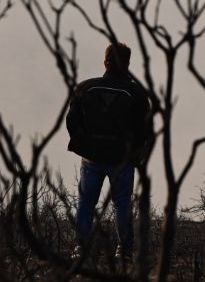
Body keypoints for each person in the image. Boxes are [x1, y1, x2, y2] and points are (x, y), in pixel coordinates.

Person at [66, 42, 153, 263]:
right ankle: (124, 251)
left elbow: (71, 121)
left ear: (105, 61)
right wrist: (137, 154)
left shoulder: (85, 88)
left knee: (86, 203)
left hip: (92, 158)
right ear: (128, 63)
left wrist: (84, 145)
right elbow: (145, 131)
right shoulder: (137, 93)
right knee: (122, 205)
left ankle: (81, 248)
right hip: (122, 160)